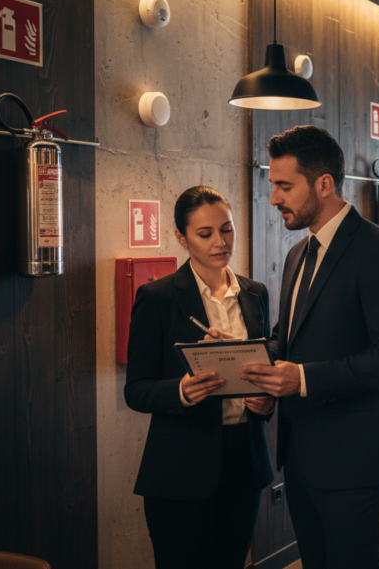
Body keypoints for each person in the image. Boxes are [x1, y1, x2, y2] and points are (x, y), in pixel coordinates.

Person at [240, 126, 379, 569]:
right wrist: (250, 360)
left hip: (359, 462)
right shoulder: (298, 254)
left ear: (324, 184)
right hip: (301, 455)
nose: (274, 198)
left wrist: (300, 379)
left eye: (285, 186)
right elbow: (288, 338)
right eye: (273, 186)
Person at [125, 186, 274, 569]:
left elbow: (268, 367)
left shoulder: (255, 294)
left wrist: (266, 400)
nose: (220, 242)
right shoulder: (157, 297)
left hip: (244, 458)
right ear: (181, 237)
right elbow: (136, 390)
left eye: (226, 229)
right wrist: (181, 391)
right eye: (205, 234)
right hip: (180, 468)